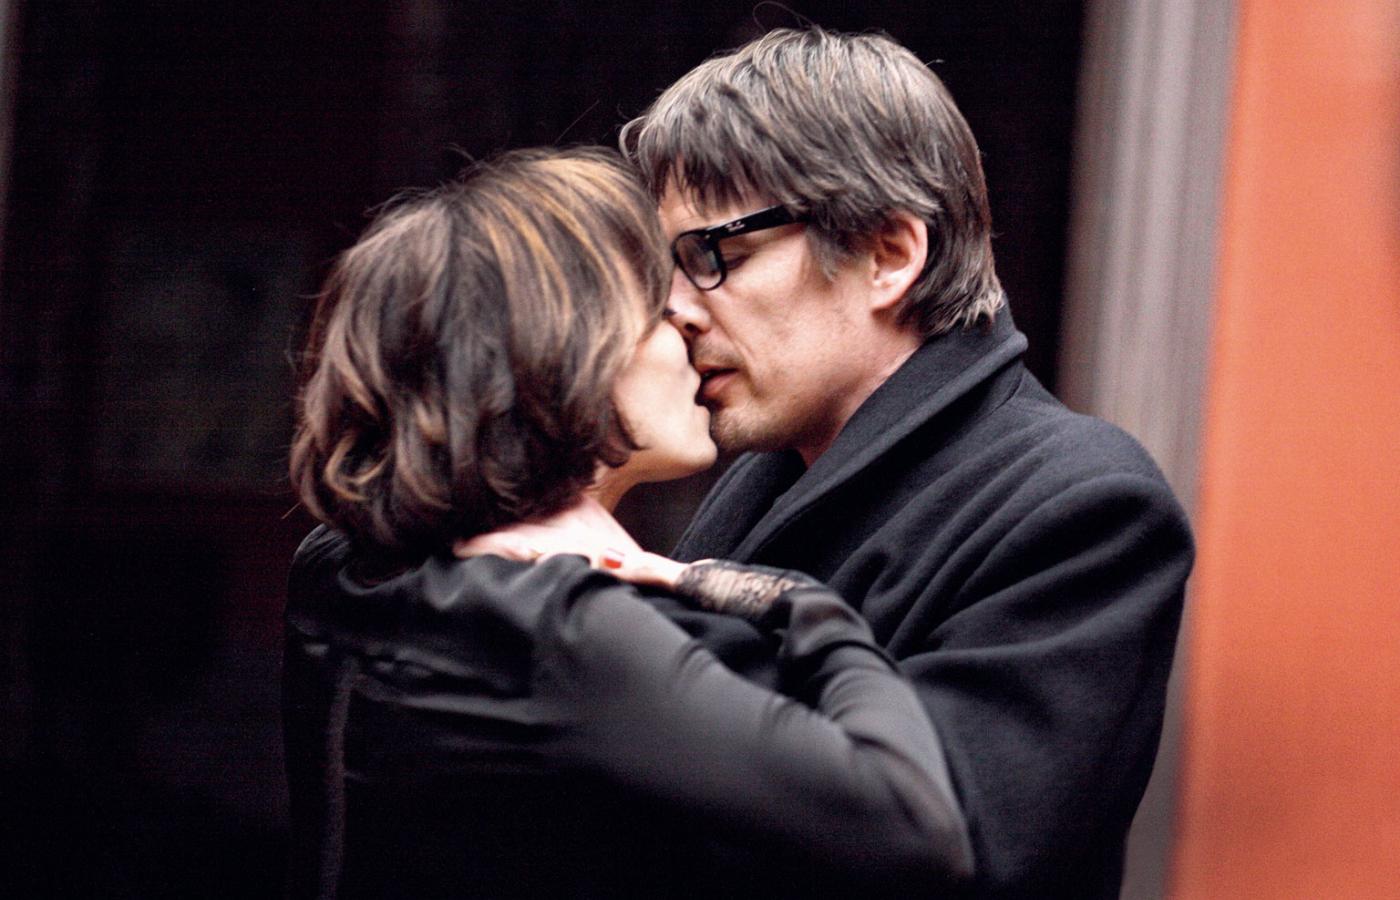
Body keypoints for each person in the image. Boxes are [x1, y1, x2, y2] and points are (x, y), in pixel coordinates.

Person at [504, 27, 1194, 898]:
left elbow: (947, 843)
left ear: (889, 255)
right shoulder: (769, 468)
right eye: (666, 267)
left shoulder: (1082, 501)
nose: (675, 309)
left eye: (718, 256)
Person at [281, 146, 973, 899]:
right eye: (659, 313)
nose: (692, 329)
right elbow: (913, 826)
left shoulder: (338, 565)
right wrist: (800, 604)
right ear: (574, 357)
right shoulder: (559, 629)